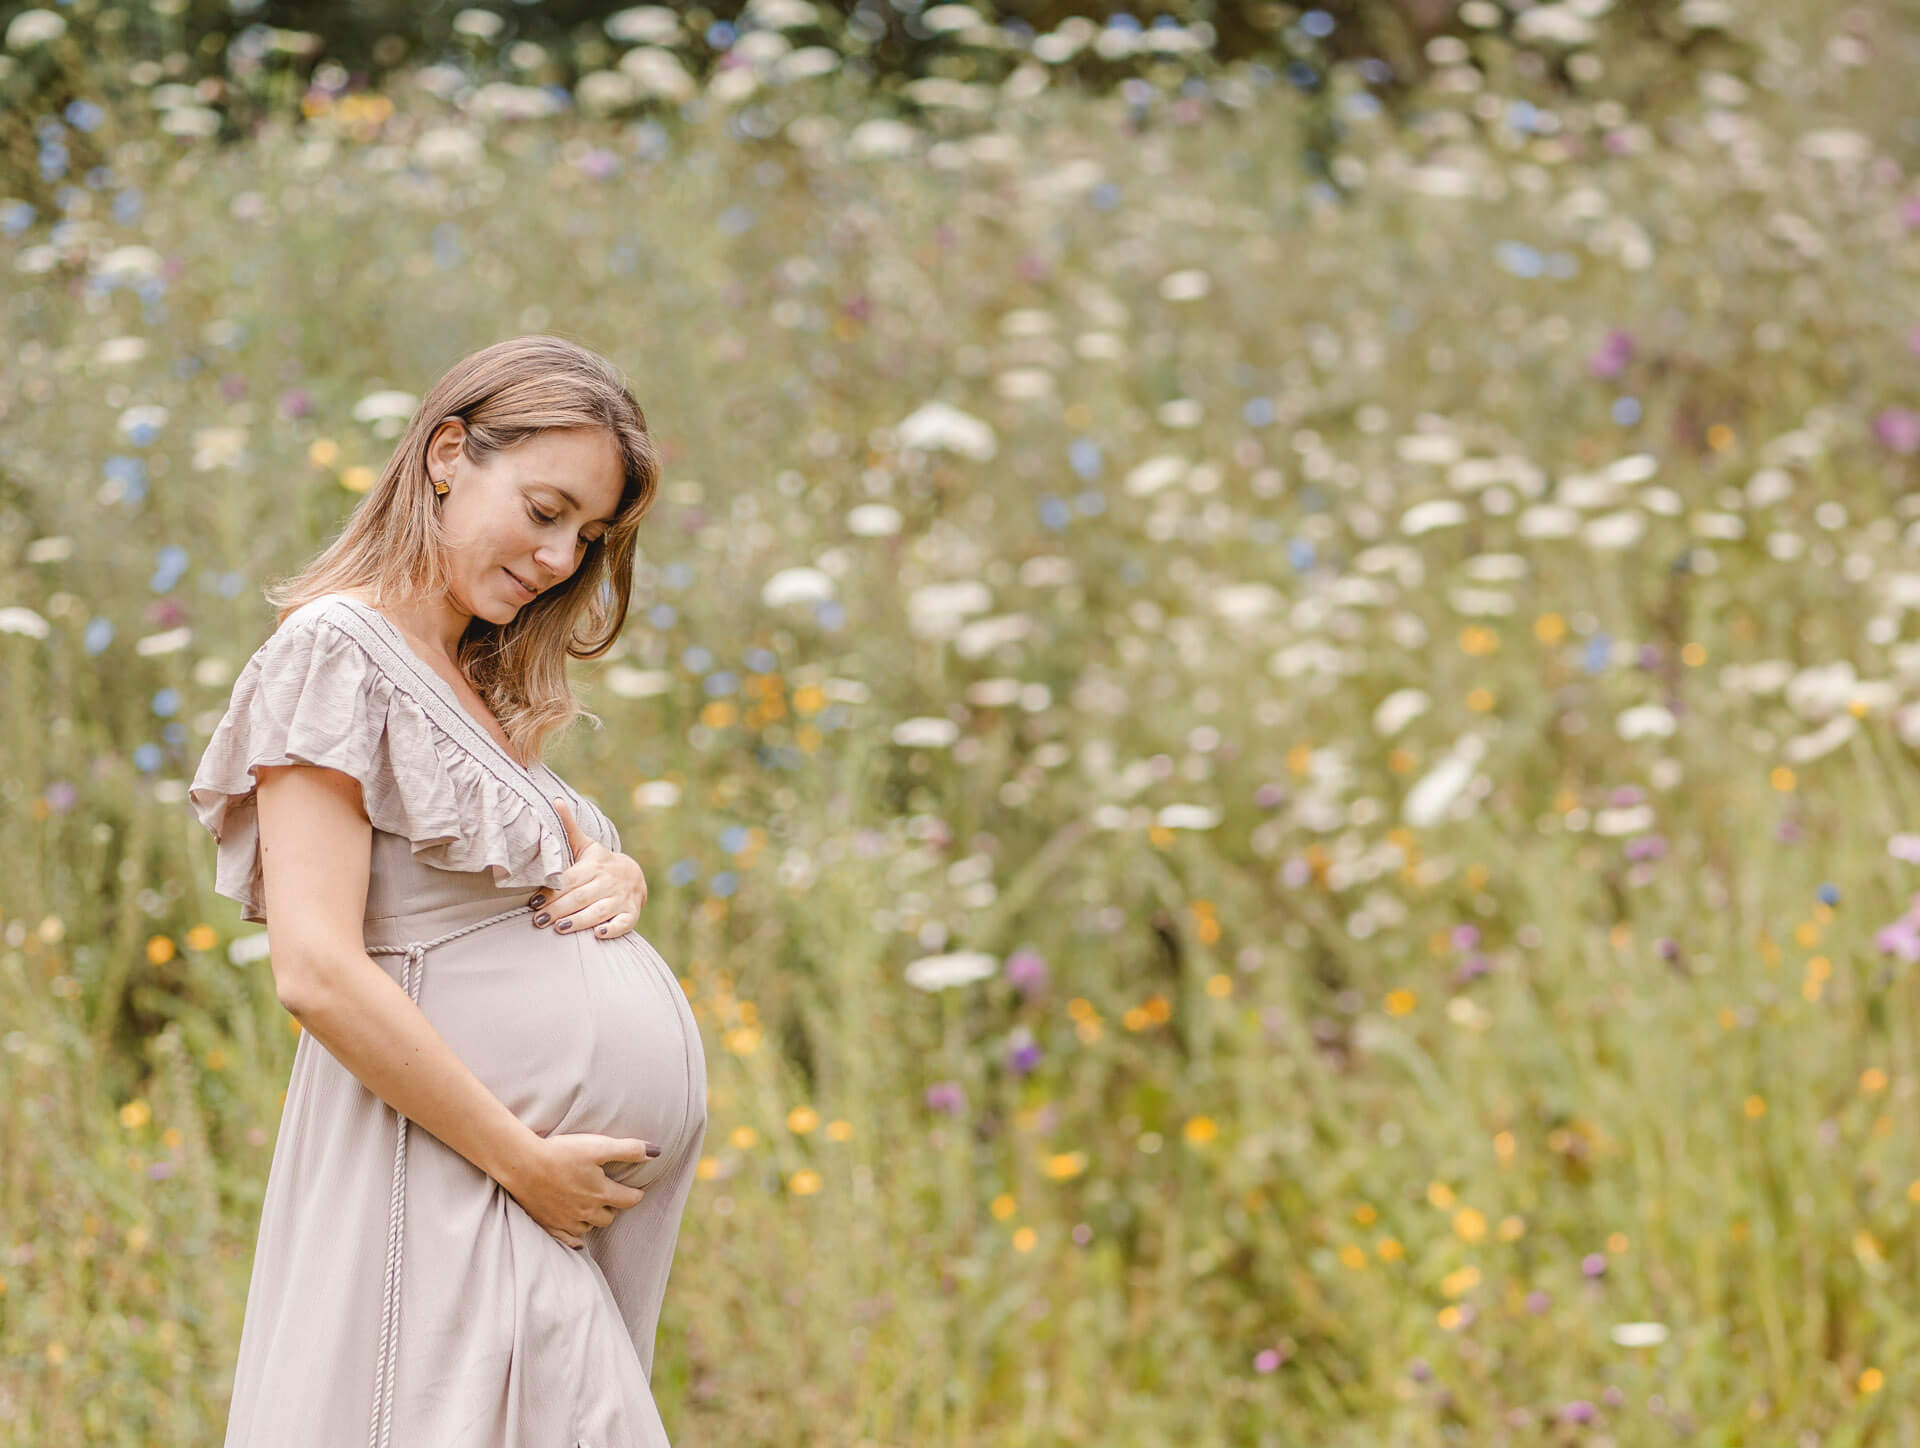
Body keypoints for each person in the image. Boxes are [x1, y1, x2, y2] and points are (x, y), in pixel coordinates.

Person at [187, 335, 708, 1448]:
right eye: (544, 508)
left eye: (588, 535)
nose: (561, 555)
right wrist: (523, 1161)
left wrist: (616, 871)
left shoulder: (468, 685)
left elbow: (490, 888)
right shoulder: (336, 650)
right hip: (460, 1178)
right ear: (448, 452)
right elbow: (318, 967)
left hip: (522, 1201)